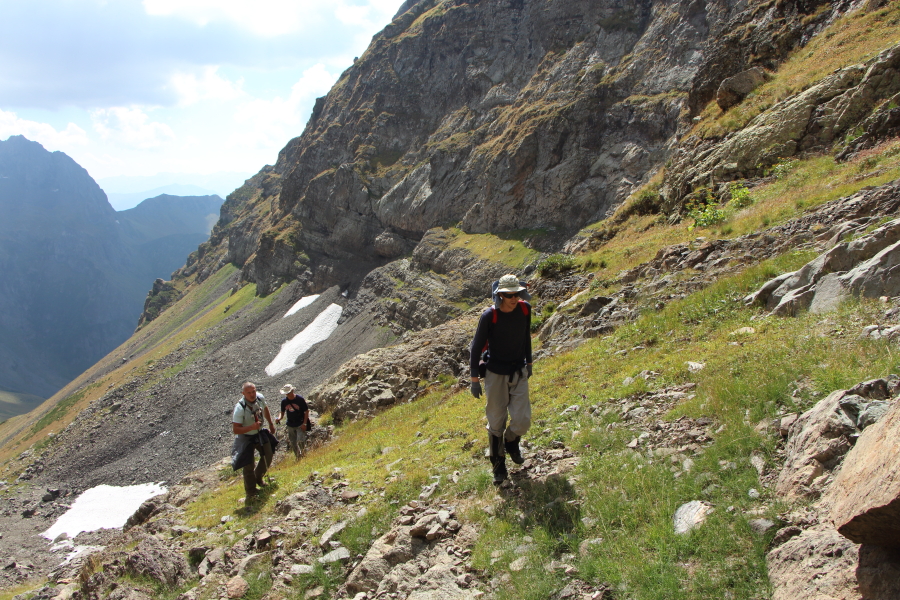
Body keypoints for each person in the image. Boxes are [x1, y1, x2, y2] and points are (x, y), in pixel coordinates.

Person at [469, 274, 533, 485]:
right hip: (496, 374)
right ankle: (498, 466)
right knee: (496, 422)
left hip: (518, 370)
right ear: (500, 295)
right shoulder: (490, 316)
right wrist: (474, 379)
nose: (514, 298)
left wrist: (529, 363)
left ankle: (512, 441)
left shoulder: (525, 310)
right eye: (509, 295)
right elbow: (476, 348)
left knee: (522, 420)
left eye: (517, 293)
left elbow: (526, 338)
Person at [231, 381, 276, 498]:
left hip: (259, 432)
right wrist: (251, 427)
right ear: (243, 393)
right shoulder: (240, 408)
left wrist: (270, 423)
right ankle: (251, 492)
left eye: (253, 391)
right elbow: (235, 429)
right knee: (248, 464)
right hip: (246, 437)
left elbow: (265, 409)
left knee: (268, 454)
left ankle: (258, 477)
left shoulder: (260, 398)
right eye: (249, 393)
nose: (252, 394)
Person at [276, 384, 310, 460]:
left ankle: (304, 455)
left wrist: (304, 423)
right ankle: (298, 457)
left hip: (300, 423)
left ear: (292, 391)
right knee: (293, 442)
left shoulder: (300, 399)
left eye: (288, 393)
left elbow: (306, 411)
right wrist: (279, 418)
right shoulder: (284, 401)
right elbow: (282, 412)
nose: (287, 395)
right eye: (286, 393)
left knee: (301, 440)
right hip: (290, 424)